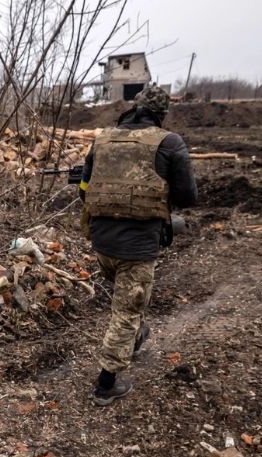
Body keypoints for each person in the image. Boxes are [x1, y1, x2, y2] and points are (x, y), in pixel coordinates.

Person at [78, 84, 197, 406]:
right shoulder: (170, 142)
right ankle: (106, 383)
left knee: (127, 302)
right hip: (138, 247)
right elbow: (188, 197)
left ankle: (136, 335)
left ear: (134, 107)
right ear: (161, 114)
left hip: (101, 241)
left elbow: (84, 189)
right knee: (126, 312)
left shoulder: (101, 139)